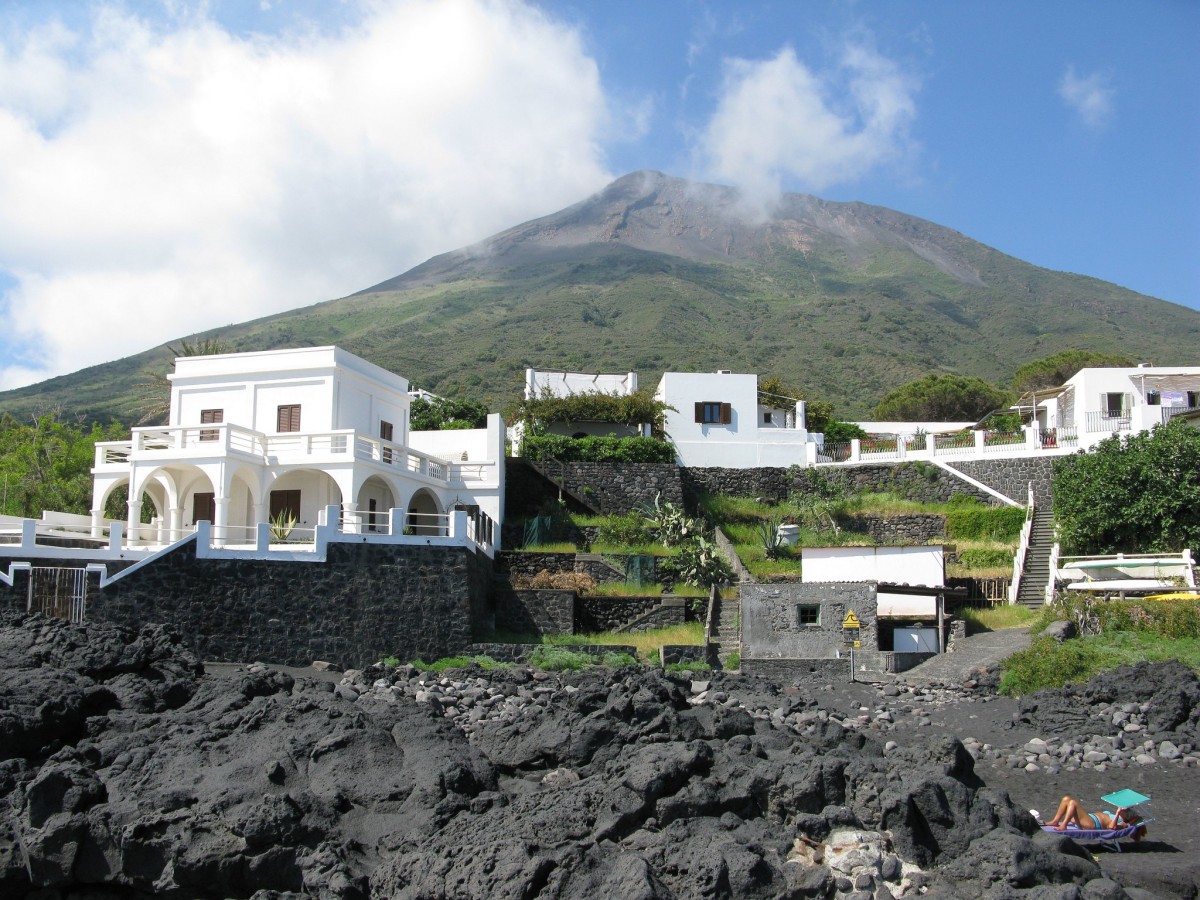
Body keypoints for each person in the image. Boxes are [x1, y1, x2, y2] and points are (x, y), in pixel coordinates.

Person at [1045, 795, 1147, 840]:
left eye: (1125, 810)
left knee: (1073, 803)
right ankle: (1055, 821)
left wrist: (1117, 813)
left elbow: (1113, 827)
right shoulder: (1114, 814)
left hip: (1091, 824)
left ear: (1127, 815)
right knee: (1066, 799)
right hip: (1087, 819)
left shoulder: (1123, 823)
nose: (1122, 809)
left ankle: (1064, 825)